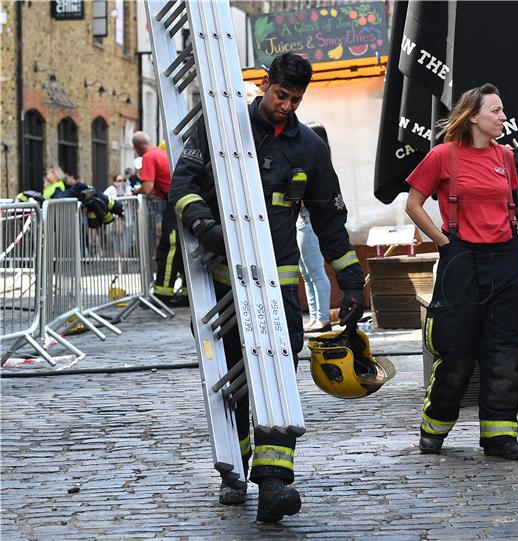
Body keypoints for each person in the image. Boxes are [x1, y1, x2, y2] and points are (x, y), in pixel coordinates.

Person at [169, 53, 365, 523]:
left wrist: (353, 283)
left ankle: (275, 480)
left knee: (276, 378)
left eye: (296, 99)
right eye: (281, 95)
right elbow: (182, 186)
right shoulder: (221, 131)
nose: (286, 106)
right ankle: (233, 471)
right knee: (235, 381)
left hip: (280, 289)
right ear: (265, 85)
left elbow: (329, 220)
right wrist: (207, 227)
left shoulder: (310, 148)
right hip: (226, 285)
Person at [405, 83, 518, 460]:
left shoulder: (506, 157)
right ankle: (435, 426)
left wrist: (517, 233)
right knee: (457, 353)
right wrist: (443, 242)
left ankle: (499, 437)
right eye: (496, 111)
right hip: (461, 260)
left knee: (505, 350)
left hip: (505, 260)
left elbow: (509, 203)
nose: (503, 117)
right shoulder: (443, 156)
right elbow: (413, 205)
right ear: (473, 116)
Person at [132, 130, 185, 305]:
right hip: (181, 199)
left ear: (136, 148)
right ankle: (186, 295)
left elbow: (147, 188)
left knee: (168, 250)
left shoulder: (148, 157)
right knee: (182, 250)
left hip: (174, 202)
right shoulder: (160, 153)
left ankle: (163, 296)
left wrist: (135, 191)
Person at [298, 122, 333, 333]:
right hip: (302, 222)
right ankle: (315, 317)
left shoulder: (318, 167)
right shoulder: (314, 163)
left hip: (310, 223)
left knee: (316, 272)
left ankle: (322, 317)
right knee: (307, 274)